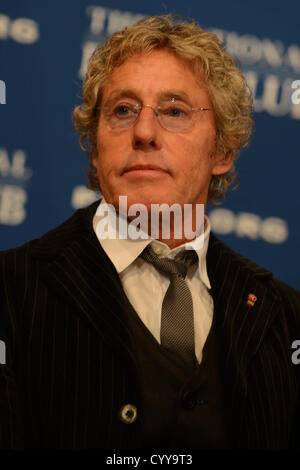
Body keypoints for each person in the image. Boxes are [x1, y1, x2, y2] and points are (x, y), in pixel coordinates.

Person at [0, 14, 300, 451]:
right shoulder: (9, 291)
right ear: (95, 145)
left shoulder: (287, 318)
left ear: (223, 150)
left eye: (174, 110)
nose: (143, 131)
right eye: (123, 110)